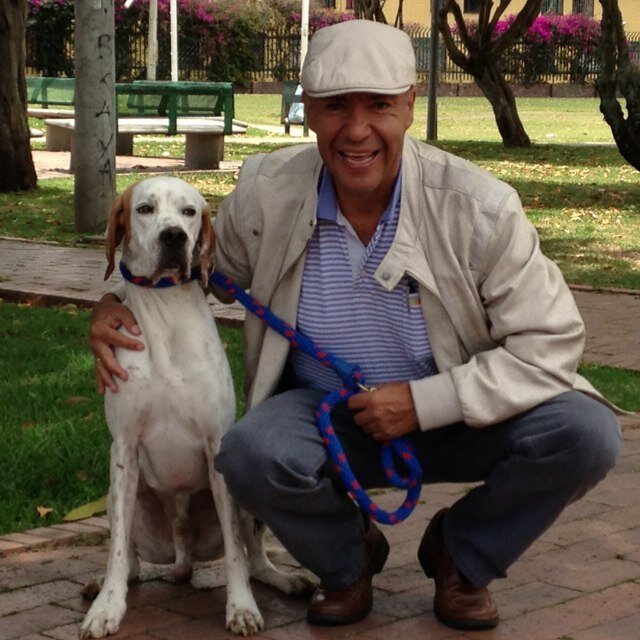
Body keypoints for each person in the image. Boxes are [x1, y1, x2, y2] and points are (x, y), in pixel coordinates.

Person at [89, 20, 622, 632]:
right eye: (336, 106)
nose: (358, 128)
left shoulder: (481, 208)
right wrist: (110, 301)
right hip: (325, 416)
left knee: (586, 433)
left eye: (380, 106)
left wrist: (424, 402)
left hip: (463, 406)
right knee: (250, 454)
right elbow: (185, 264)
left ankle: (463, 555)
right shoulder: (266, 191)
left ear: (411, 107)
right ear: (309, 110)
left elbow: (552, 343)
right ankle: (348, 561)